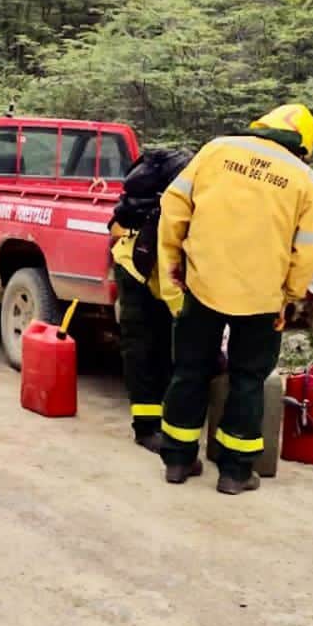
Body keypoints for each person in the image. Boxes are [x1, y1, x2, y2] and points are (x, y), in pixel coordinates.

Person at [156, 104, 313, 495]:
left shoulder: (217, 150)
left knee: (189, 371)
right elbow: (308, 248)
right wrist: (291, 296)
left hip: (202, 285)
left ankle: (178, 461)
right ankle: (234, 473)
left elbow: (174, 208)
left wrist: (174, 265)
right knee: (248, 380)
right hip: (262, 297)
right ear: (303, 145)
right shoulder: (303, 177)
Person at [109, 148, 191, 452]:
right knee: (142, 348)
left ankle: (168, 420)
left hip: (149, 269)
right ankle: (145, 427)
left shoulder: (179, 202)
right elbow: (167, 265)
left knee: (161, 348)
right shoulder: (171, 214)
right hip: (138, 272)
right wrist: (180, 310)